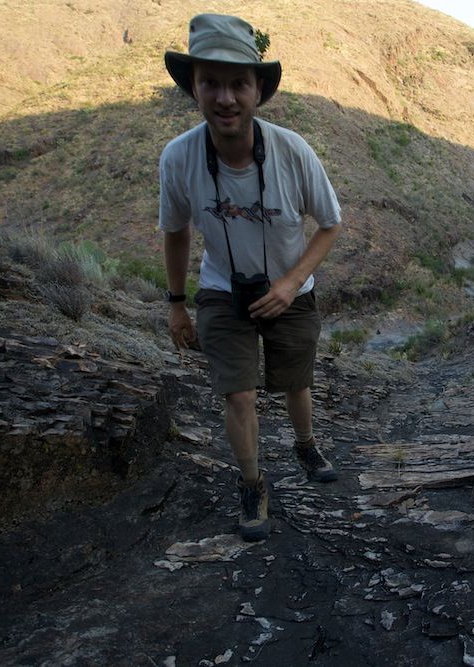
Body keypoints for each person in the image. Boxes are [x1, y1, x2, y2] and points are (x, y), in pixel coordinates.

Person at [158, 14, 343, 541]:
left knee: (294, 381)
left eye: (238, 82)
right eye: (210, 82)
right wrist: (176, 303)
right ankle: (252, 484)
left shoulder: (292, 152)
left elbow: (330, 224)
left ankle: (305, 444)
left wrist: (289, 284)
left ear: (258, 89)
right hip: (221, 288)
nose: (225, 97)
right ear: (192, 88)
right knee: (238, 394)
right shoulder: (179, 159)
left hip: (290, 286)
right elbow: (175, 232)